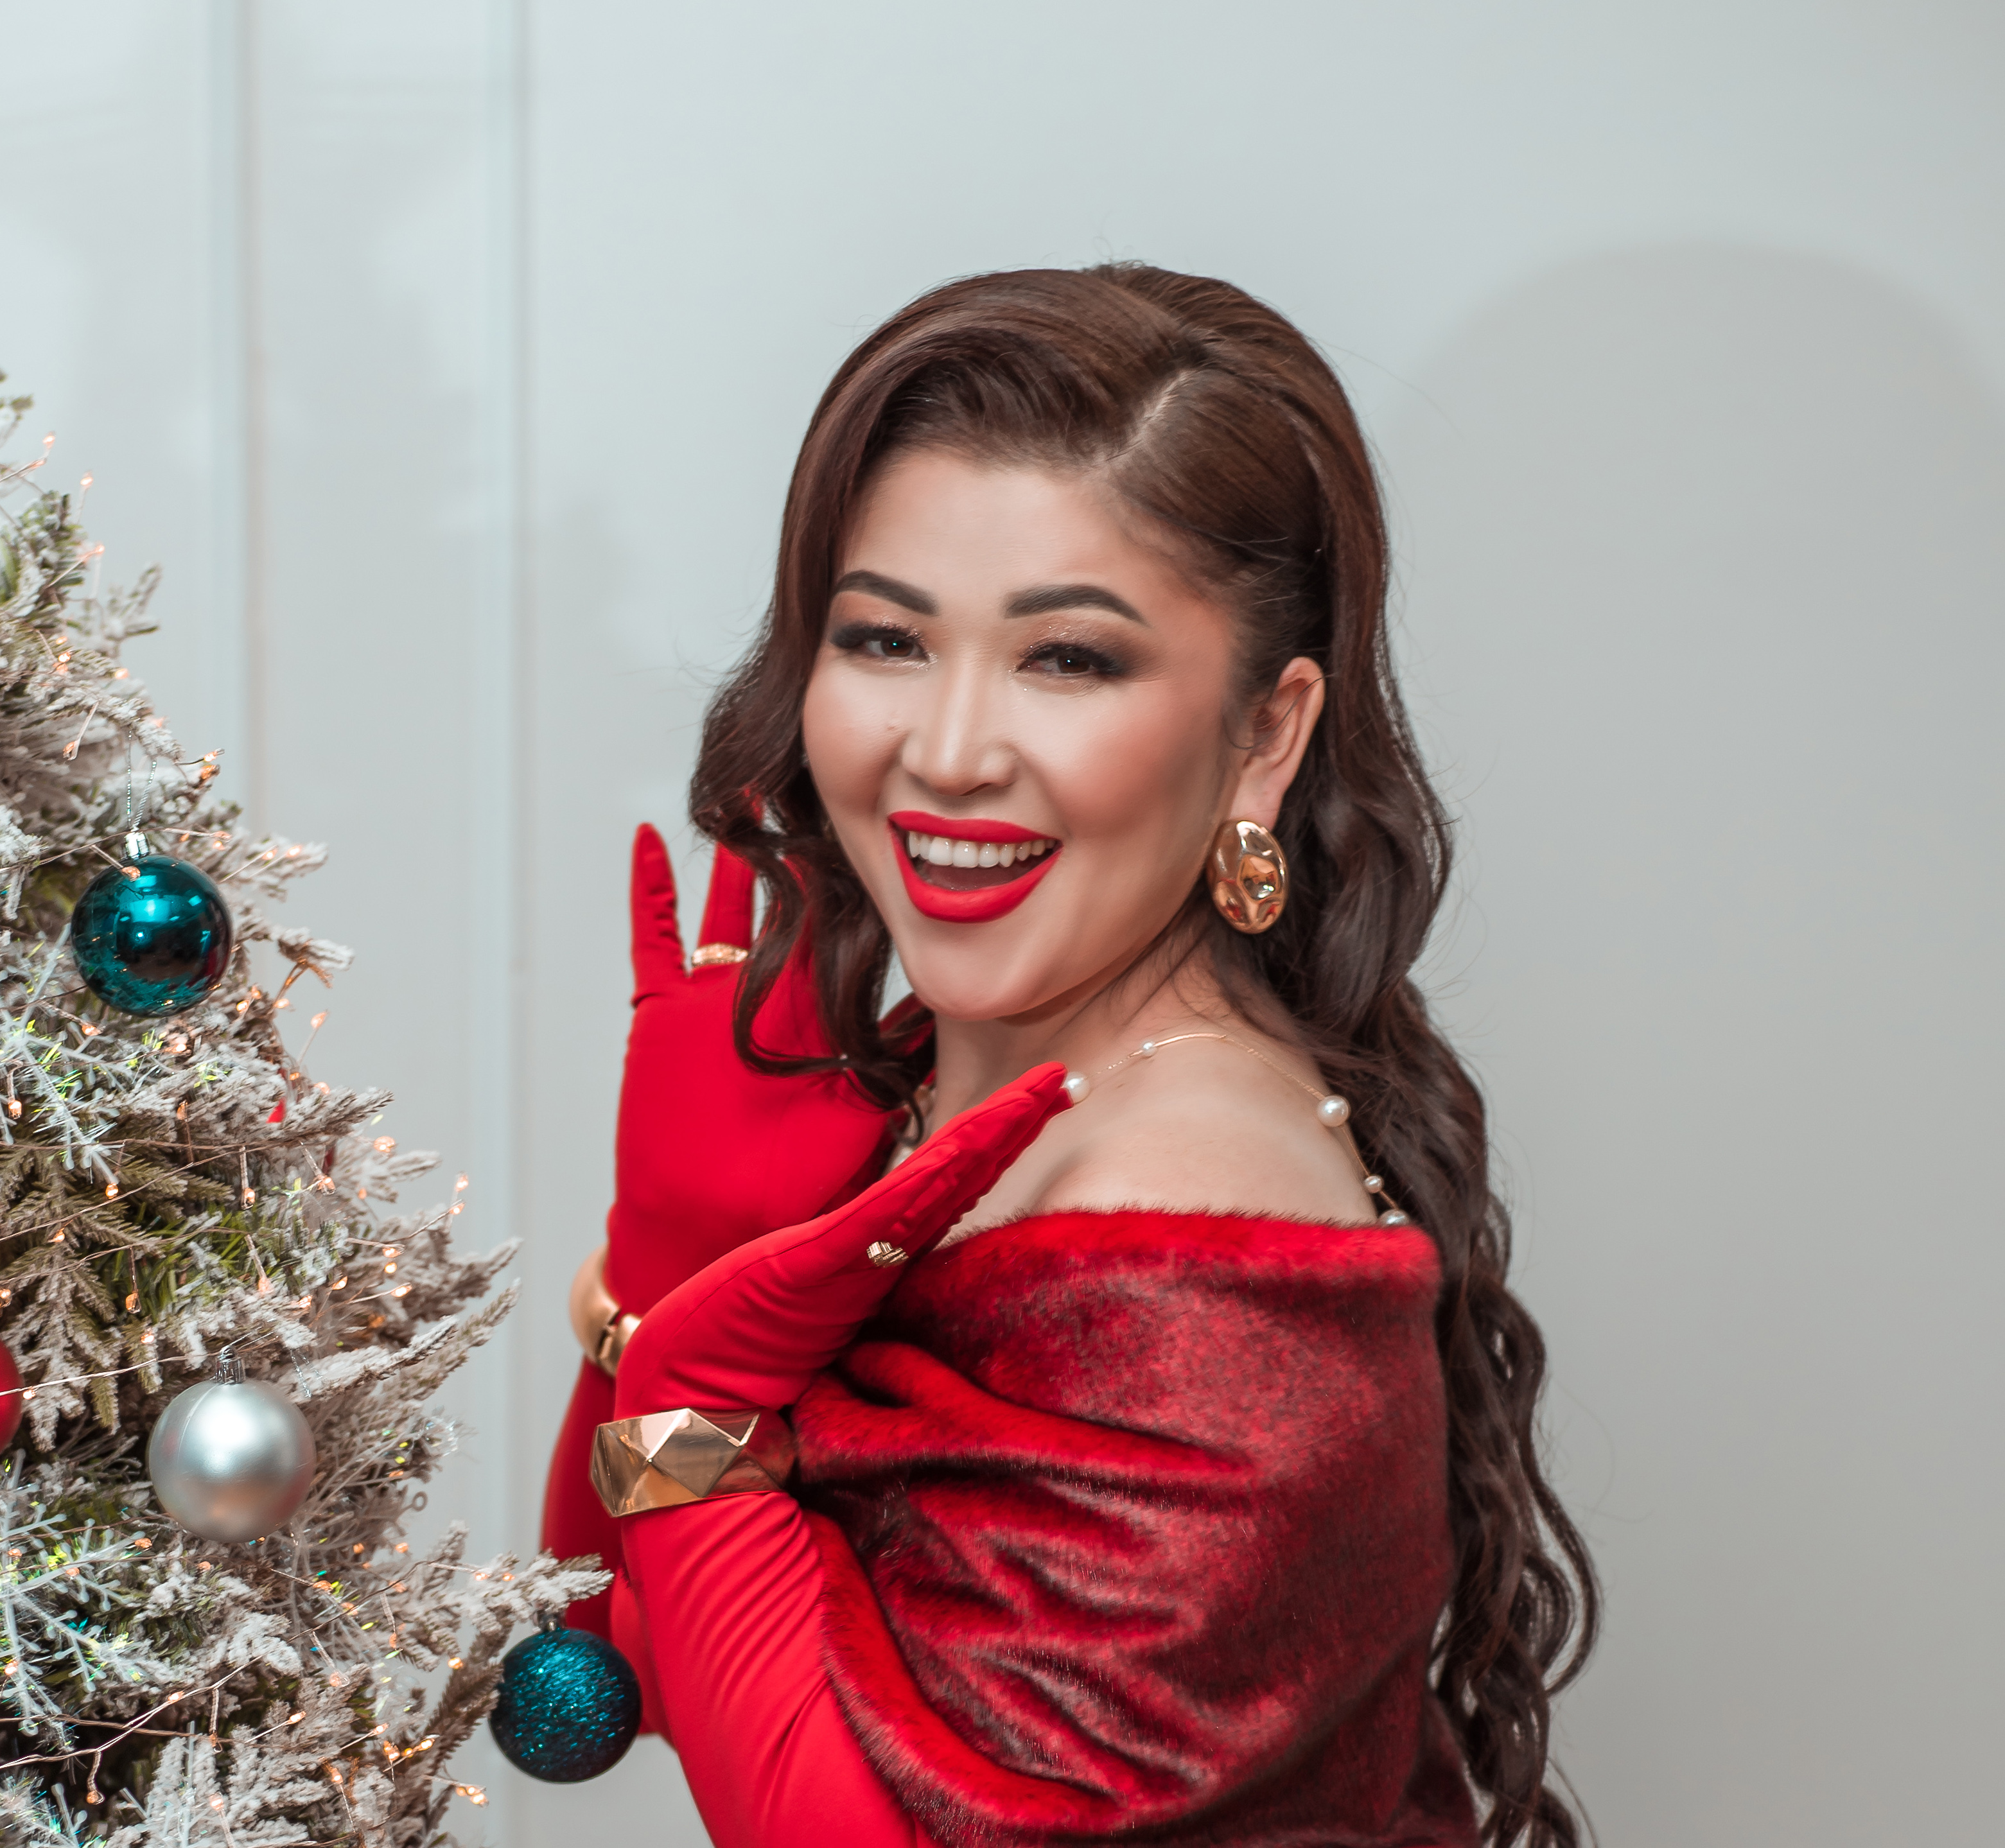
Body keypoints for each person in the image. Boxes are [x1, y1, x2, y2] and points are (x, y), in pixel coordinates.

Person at [540, 263, 1597, 1847]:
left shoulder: (1193, 1238)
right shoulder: (934, 1097)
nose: (949, 750)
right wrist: (669, 1260)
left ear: (1265, 731)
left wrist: (686, 1380)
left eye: (1069, 659)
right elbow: (585, 1670)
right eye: (886, 637)